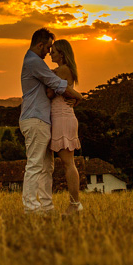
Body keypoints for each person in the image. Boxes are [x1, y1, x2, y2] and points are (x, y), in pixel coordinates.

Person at [19, 28, 82, 214]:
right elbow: (54, 86)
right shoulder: (34, 62)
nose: (48, 52)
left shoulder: (38, 63)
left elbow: (55, 83)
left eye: (52, 50)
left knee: (47, 166)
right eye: (48, 48)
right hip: (36, 119)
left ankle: (47, 207)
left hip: (44, 119)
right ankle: (31, 208)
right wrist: (80, 97)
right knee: (36, 164)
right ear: (40, 45)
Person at [47, 39, 83, 213]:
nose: (50, 54)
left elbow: (50, 92)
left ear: (62, 53)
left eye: (53, 51)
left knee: (68, 163)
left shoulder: (62, 69)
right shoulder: (63, 70)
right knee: (68, 163)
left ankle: (75, 204)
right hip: (62, 116)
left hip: (62, 117)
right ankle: (74, 203)